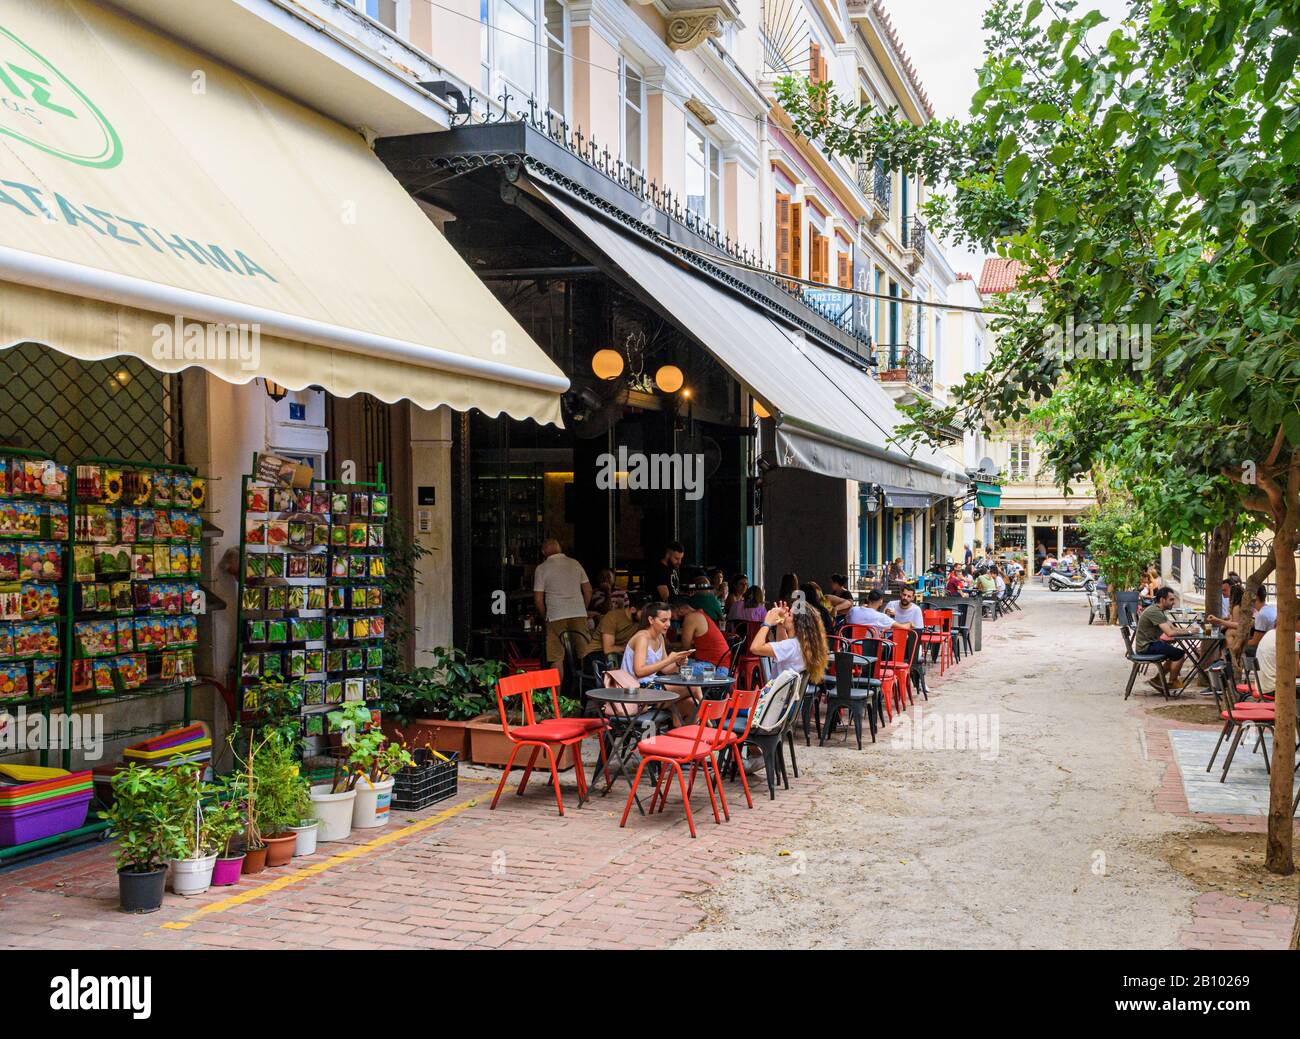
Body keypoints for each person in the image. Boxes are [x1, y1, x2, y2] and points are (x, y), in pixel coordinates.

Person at [532, 538, 591, 669]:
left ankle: (557, 690)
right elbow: (588, 591)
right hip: (578, 613)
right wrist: (583, 609)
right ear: (560, 549)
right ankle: (587, 686)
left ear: (543, 552)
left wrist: (545, 616)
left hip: (555, 615)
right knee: (584, 653)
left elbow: (537, 599)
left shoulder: (541, 568)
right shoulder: (575, 563)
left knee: (556, 657)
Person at [748, 601, 828, 684]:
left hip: (777, 695)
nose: (786, 616)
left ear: (797, 623)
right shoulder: (801, 644)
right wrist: (780, 623)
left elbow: (755, 648)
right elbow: (782, 646)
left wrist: (767, 623)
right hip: (787, 695)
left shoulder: (791, 645)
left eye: (789, 615)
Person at [1134, 586, 1190, 691]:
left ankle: (1157, 679)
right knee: (1179, 654)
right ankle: (1172, 682)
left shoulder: (1159, 610)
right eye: (1171, 599)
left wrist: (1189, 630)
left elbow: (1172, 627)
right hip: (1146, 647)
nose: (1173, 602)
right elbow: (1169, 632)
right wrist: (1190, 631)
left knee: (1174, 654)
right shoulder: (1155, 611)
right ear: (1162, 600)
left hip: (1151, 643)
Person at [672, 595, 730, 668]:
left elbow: (686, 648)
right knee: (672, 663)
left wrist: (670, 653)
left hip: (714, 667)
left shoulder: (691, 617)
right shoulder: (699, 614)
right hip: (718, 664)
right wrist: (671, 646)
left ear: (681, 609)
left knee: (672, 667)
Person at [595, 590, 641, 659]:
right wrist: (632, 647)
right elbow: (608, 649)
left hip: (620, 654)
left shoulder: (641, 620)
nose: (648, 616)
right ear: (633, 610)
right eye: (644, 613)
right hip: (597, 653)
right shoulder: (612, 617)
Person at [1253, 626, 1277, 697]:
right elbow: (1297, 672)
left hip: (1262, 688)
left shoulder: (1269, 633)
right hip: (1274, 689)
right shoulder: (1295, 637)